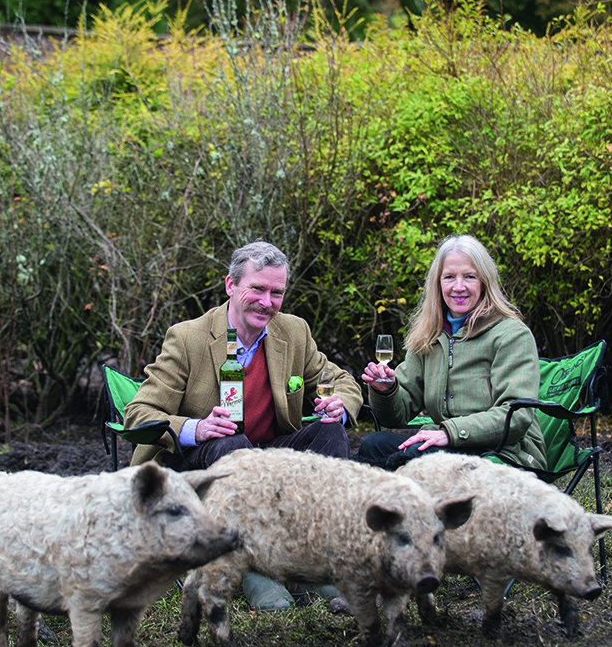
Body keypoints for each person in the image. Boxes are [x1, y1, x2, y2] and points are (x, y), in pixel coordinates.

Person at [123, 240, 362, 611]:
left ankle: (312, 562)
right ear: (231, 286)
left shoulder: (294, 332)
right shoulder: (189, 337)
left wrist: (341, 404)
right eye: (258, 289)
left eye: (277, 292)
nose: (267, 302)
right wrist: (196, 427)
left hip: (268, 455)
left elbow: (342, 380)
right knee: (231, 444)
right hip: (202, 461)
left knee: (330, 431)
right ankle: (253, 568)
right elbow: (139, 412)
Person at [358, 234, 546, 472]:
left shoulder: (511, 334)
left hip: (507, 452)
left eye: (469, 277)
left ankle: (413, 507)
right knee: (374, 444)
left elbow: (515, 416)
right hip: (447, 446)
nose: (459, 287)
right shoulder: (429, 334)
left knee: (420, 457)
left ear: (484, 282)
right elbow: (398, 414)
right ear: (438, 283)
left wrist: (451, 432)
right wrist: (386, 391)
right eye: (449, 277)